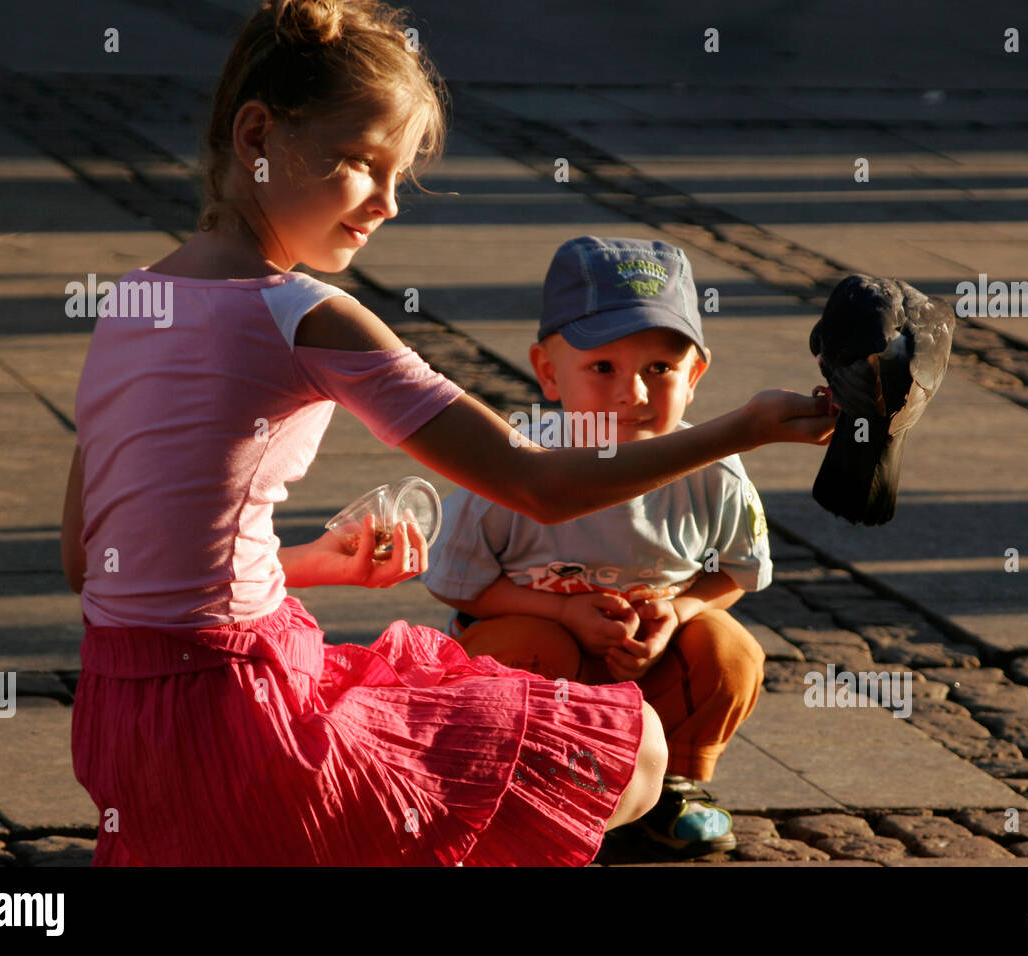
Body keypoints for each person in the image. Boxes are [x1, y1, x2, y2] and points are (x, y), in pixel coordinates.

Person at [61, 0, 835, 866]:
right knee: (639, 750)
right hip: (247, 728)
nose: (388, 203)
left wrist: (318, 564)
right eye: (362, 164)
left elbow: (92, 562)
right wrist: (743, 429)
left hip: (128, 738)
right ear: (256, 136)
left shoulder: (129, 301)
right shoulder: (307, 315)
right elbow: (537, 484)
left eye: (401, 177)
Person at [424, 236, 772, 855]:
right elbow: (457, 581)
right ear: (549, 372)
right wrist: (561, 611)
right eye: (603, 368)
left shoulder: (715, 471)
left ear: (694, 375)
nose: (632, 394)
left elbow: (736, 571)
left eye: (659, 369)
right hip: (542, 658)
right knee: (526, 647)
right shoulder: (515, 464)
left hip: (648, 666)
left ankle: (676, 785)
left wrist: (682, 611)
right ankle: (524, 782)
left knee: (729, 649)